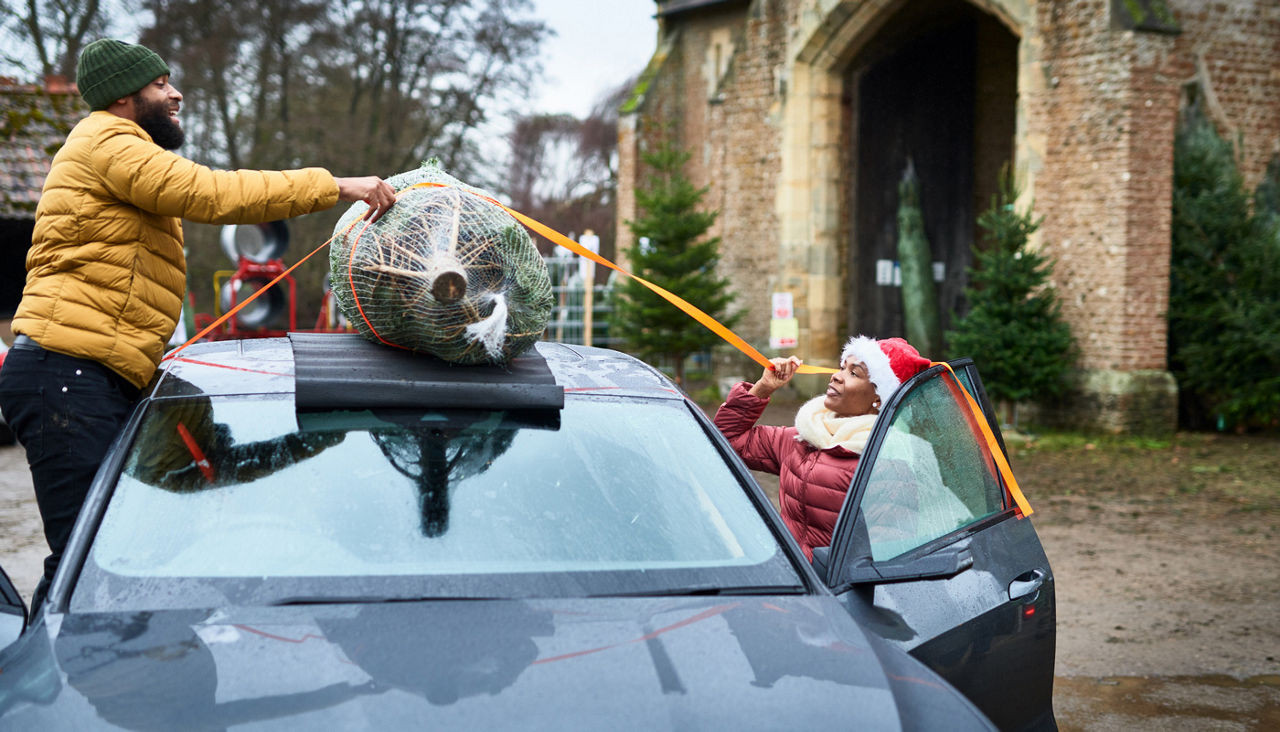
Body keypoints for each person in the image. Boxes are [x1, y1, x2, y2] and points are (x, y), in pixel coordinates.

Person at [0, 38, 398, 615]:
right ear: (122, 96)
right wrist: (335, 185)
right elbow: (208, 192)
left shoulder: (115, 148)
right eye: (160, 84)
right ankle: (33, 684)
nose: (175, 92)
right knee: (85, 566)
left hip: (92, 374)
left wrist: (321, 437)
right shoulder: (106, 140)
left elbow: (212, 470)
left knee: (104, 554)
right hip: (67, 375)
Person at [713, 335, 930, 560]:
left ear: (879, 398)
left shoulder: (887, 465)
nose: (836, 376)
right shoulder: (804, 436)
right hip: (792, 577)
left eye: (854, 373)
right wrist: (762, 388)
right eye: (842, 368)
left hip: (833, 591)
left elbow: (886, 558)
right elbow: (726, 441)